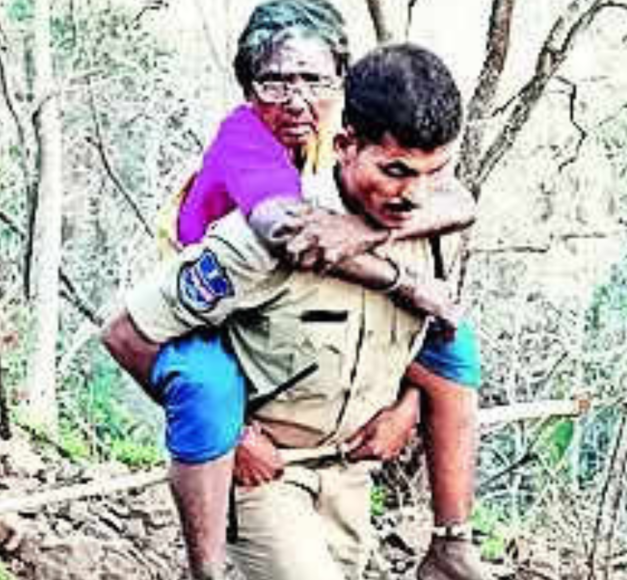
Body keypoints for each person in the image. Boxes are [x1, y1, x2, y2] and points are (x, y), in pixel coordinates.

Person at [104, 43, 492, 580]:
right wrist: (233, 436)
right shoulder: (267, 239)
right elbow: (126, 335)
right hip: (269, 479)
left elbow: (424, 342)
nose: (416, 195)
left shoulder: (427, 228)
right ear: (345, 144)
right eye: (397, 171)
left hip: (351, 477)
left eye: (436, 173)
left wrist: (406, 409)